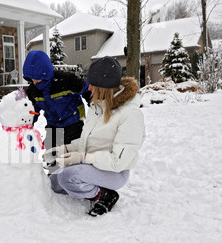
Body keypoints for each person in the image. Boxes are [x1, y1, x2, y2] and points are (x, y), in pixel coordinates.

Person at [45, 56, 146, 217]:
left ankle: (105, 195)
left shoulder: (130, 115)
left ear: (104, 86)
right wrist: (64, 148)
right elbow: (89, 141)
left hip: (114, 172)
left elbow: (118, 162)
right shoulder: (98, 106)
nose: (89, 88)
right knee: (53, 183)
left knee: (67, 177)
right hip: (93, 166)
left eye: (93, 84)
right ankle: (88, 185)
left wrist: (82, 158)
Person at [23, 50, 92, 173]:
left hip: (74, 120)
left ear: (45, 73)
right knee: (51, 150)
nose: (34, 82)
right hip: (53, 123)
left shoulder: (66, 81)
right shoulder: (33, 91)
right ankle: (54, 175)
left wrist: (94, 104)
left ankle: (75, 175)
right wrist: (27, 125)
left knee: (71, 151)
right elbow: (33, 111)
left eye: (37, 79)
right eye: (31, 79)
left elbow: (88, 90)